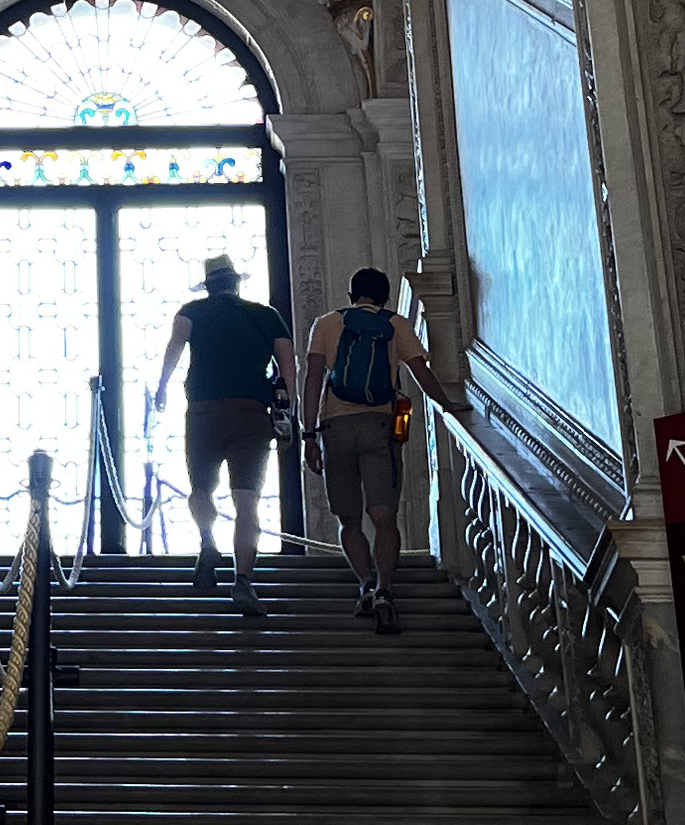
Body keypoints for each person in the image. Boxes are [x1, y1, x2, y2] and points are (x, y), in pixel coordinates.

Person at [300, 269, 461, 635]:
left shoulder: (326, 324)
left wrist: (308, 434)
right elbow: (421, 372)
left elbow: (312, 379)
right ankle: (387, 589)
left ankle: (365, 585)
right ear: (385, 297)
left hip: (335, 429)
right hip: (379, 427)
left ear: (351, 293)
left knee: (349, 521)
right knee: (383, 516)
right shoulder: (396, 324)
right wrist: (448, 405)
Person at [149, 251, 291, 619]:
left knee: (200, 488)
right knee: (247, 501)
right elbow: (289, 362)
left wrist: (162, 388)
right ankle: (243, 580)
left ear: (208, 286)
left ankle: (208, 542)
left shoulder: (191, 312)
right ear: (237, 283)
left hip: (204, 412)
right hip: (251, 414)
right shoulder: (265, 315)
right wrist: (291, 411)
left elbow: (175, 346)